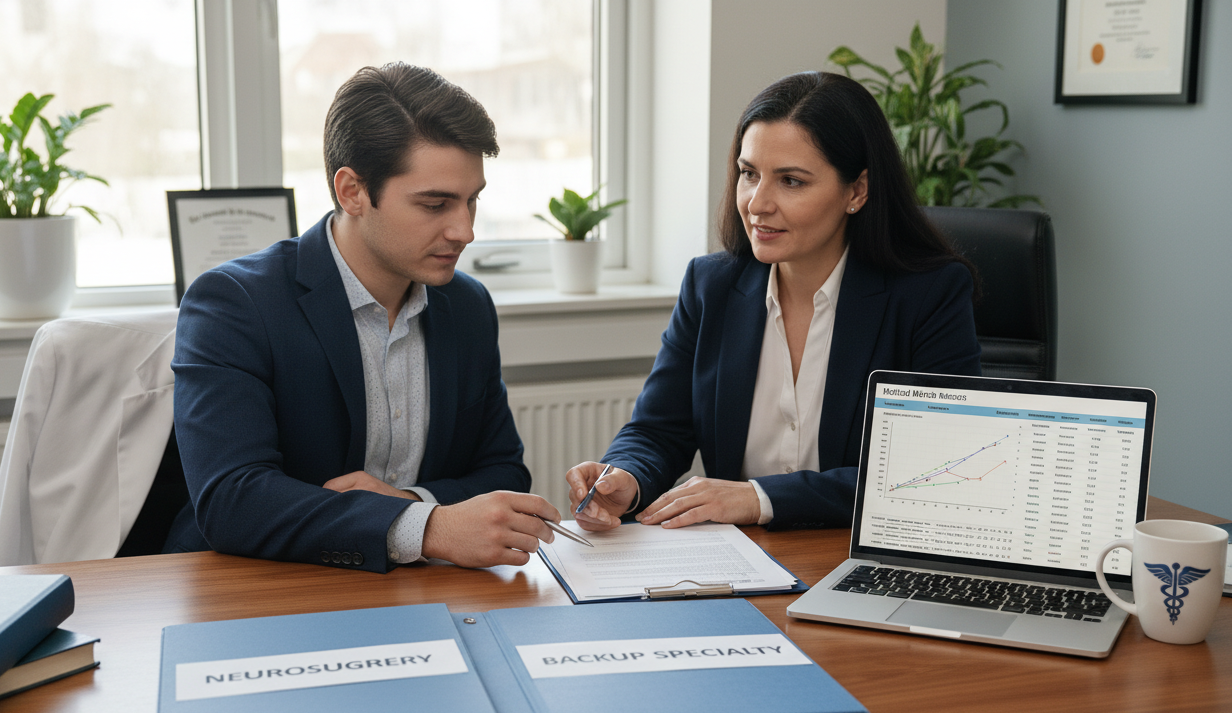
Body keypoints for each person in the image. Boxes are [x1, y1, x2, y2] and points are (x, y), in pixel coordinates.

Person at [167, 62, 559, 571]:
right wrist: (427, 527)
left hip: (412, 587)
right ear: (352, 191)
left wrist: (410, 506)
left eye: (471, 201)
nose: (464, 231)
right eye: (435, 204)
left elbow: (502, 473)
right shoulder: (234, 302)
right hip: (256, 587)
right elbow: (232, 500)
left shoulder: (467, 305)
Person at [566, 71, 981, 533]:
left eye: (791, 181)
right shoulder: (710, 286)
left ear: (857, 191)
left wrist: (759, 498)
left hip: (851, 553)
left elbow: (933, 471)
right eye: (749, 174)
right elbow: (658, 429)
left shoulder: (928, 294)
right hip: (739, 558)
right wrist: (626, 477)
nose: (757, 203)